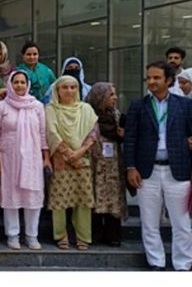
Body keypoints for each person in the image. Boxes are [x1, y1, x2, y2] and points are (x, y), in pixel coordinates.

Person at [124, 61, 192, 271]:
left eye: (156, 78)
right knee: (149, 221)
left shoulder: (185, 105)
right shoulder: (138, 105)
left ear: (169, 80)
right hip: (147, 171)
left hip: (178, 170)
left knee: (182, 223)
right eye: (149, 78)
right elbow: (130, 139)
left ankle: (183, 264)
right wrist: (130, 167)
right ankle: (156, 262)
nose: (151, 82)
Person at [0, 70, 50, 250]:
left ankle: (32, 236)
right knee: (11, 196)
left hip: (32, 158)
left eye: (22, 82)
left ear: (28, 85)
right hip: (9, 157)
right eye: (15, 82)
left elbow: (43, 134)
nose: (19, 85)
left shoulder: (37, 106)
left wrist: (46, 157)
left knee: (32, 196)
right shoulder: (1, 106)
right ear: (10, 84)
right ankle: (13, 235)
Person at [45, 75, 98, 251]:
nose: (69, 91)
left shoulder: (86, 109)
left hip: (83, 160)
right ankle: (61, 235)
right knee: (59, 200)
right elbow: (52, 133)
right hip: (61, 160)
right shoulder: (51, 109)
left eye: (73, 87)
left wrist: (80, 153)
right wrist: (69, 154)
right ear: (57, 90)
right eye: (65, 88)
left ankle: (83, 235)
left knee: (83, 199)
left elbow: (93, 133)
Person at [85, 82, 128, 247]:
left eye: (115, 94)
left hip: (113, 167)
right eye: (111, 95)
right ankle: (93, 234)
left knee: (113, 198)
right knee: (93, 196)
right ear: (99, 97)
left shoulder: (117, 116)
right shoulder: (88, 116)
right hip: (94, 164)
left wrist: (124, 134)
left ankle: (113, 235)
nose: (115, 98)